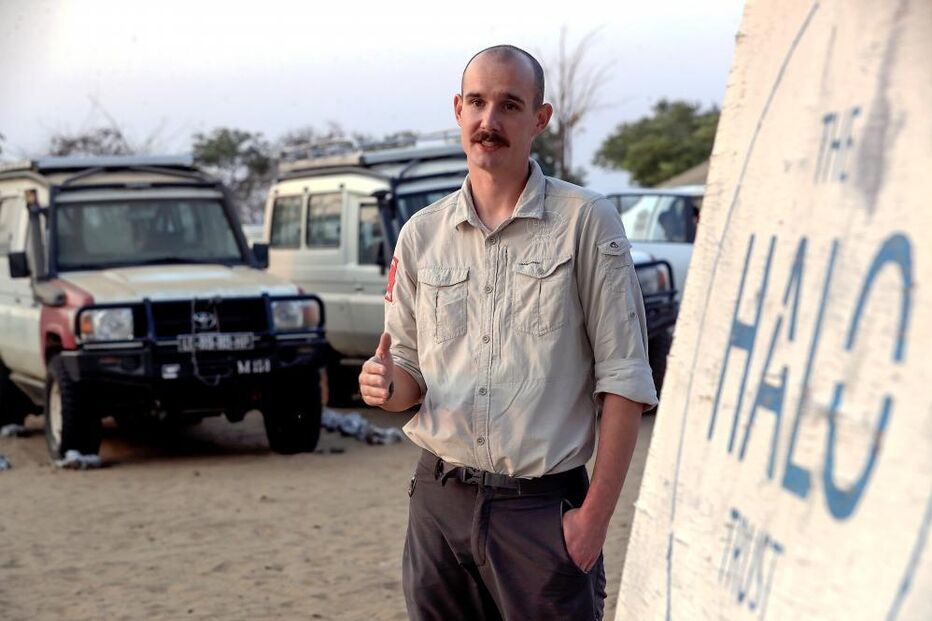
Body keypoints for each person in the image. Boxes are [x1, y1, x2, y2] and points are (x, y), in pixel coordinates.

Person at [359, 44, 658, 620]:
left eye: (508, 105)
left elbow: (624, 379)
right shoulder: (421, 235)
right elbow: (411, 377)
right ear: (457, 109)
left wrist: (591, 524)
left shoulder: (585, 222)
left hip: (542, 513)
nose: (488, 121)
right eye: (476, 102)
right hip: (438, 506)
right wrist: (386, 385)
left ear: (539, 119)